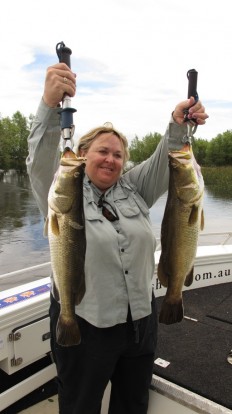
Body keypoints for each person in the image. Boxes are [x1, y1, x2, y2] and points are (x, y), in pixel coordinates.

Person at [26, 62, 208, 414]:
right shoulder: (61, 192)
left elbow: (165, 160)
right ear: (81, 155)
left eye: (118, 154)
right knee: (80, 405)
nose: (110, 159)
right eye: (102, 151)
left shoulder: (135, 188)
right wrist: (49, 107)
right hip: (85, 324)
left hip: (140, 322)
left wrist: (178, 121)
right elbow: (42, 156)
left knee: (133, 403)